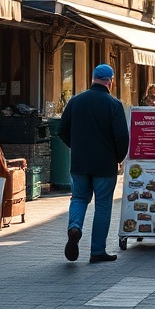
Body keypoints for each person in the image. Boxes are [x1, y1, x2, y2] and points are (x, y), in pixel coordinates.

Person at [58, 63, 130, 263]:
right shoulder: (114, 104)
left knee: (79, 199)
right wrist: (118, 157)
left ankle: (75, 228)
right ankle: (97, 251)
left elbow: (61, 130)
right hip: (104, 165)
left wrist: (76, 146)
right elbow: (122, 137)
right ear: (111, 81)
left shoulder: (75, 101)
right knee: (103, 205)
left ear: (93, 79)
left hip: (80, 163)